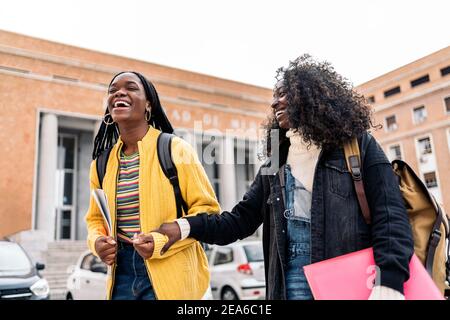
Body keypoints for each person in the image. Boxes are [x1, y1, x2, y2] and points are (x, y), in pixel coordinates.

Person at [153, 55, 414, 300]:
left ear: (311, 96)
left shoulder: (357, 146)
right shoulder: (277, 161)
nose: (274, 103)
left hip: (353, 277)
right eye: (274, 96)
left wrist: (389, 281)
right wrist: (186, 227)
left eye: (284, 94)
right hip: (291, 281)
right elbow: (239, 221)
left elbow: (390, 216)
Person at [85, 71, 220, 300]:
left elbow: (207, 212)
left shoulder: (176, 149)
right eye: (113, 90)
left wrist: (161, 240)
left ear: (148, 104)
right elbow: (95, 219)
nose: (119, 92)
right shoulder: (101, 164)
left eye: (131, 87)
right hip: (121, 275)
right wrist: (97, 243)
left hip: (173, 273)